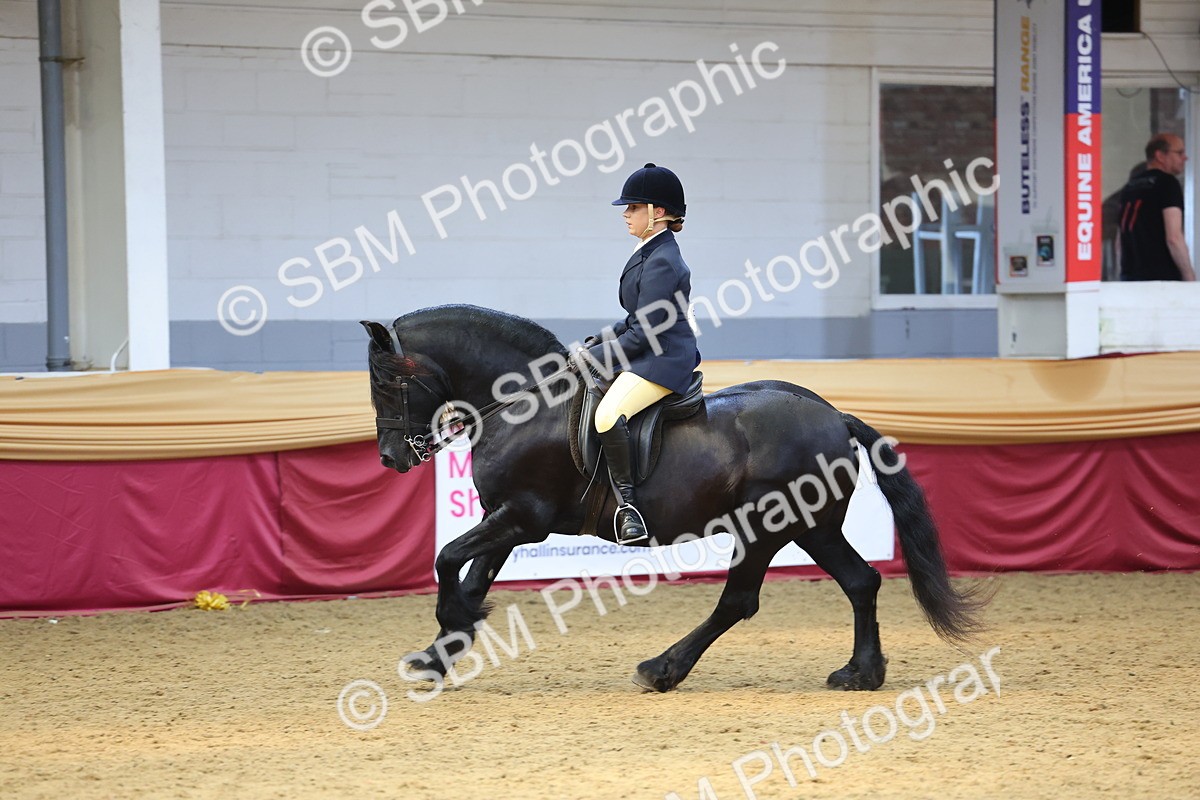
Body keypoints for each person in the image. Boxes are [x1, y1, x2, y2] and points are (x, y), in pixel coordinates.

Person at [582, 163, 700, 545]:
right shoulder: (650, 252)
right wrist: (595, 342)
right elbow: (634, 319)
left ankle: (629, 509)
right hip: (648, 349)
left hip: (663, 359)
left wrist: (598, 358)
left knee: (607, 414)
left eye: (633, 207)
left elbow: (645, 333)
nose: (625, 214)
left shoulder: (663, 260)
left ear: (657, 212)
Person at [1116, 134, 1196, 281]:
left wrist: (1123, 274)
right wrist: (1189, 277)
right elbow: (1174, 237)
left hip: (1130, 278)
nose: (1185, 158)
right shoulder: (1167, 183)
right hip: (1162, 279)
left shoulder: (1129, 187)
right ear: (1160, 155)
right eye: (1179, 153)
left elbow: (1120, 240)